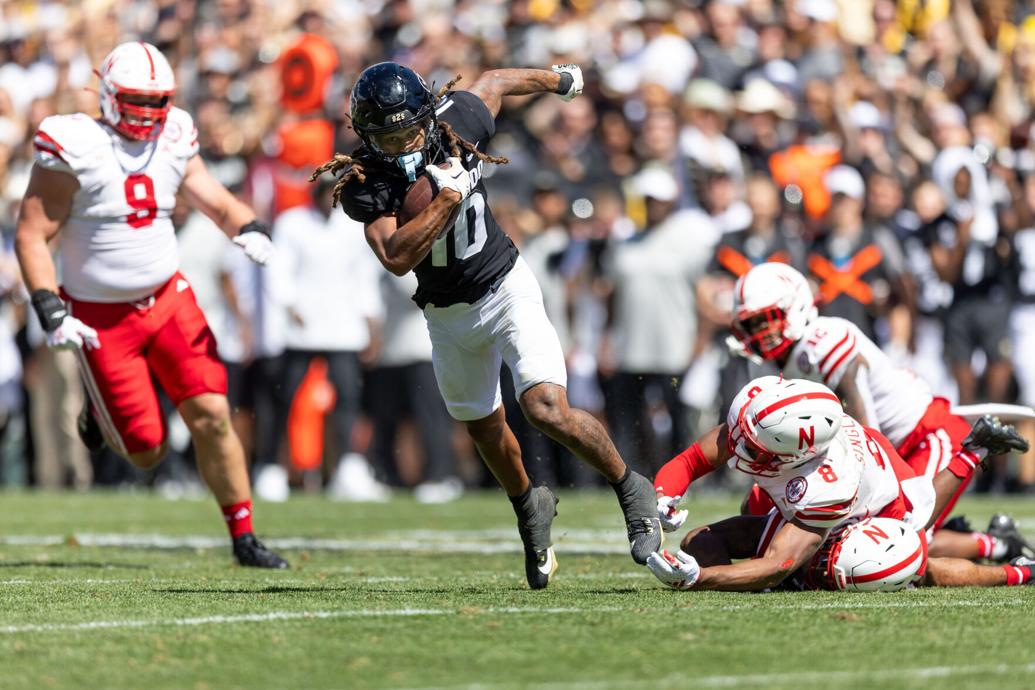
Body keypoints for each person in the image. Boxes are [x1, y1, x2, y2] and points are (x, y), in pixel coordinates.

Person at [313, 61, 662, 589]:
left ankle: (631, 487)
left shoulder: (457, 122)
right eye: (388, 136)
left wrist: (558, 81)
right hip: (446, 314)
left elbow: (495, 81)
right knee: (484, 429)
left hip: (504, 285)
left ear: (428, 115)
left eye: (409, 129)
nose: (402, 144)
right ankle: (529, 506)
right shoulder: (366, 180)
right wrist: (448, 198)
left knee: (545, 408)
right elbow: (396, 256)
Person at [14, 42, 287, 568]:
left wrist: (246, 227)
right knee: (147, 449)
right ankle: (100, 411)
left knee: (211, 412)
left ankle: (244, 536)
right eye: (136, 100)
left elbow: (211, 196)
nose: (146, 113)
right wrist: (50, 306)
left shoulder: (177, 133)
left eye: (155, 101)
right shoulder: (73, 143)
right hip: (100, 318)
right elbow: (31, 235)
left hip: (168, 298)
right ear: (108, 94)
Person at [715, 262, 1030, 560]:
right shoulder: (788, 362)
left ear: (794, 307)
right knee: (757, 507)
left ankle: (998, 544)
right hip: (887, 450)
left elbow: (867, 432)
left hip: (926, 435)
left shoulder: (822, 342)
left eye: (765, 319)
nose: (759, 333)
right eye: (749, 324)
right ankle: (962, 532)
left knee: (900, 539)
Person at [646, 377, 1035, 592]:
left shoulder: (825, 483)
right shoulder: (766, 416)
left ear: (799, 453)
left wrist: (699, 578)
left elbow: (776, 565)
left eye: (756, 444)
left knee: (915, 553)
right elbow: (692, 459)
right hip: (854, 466)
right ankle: (977, 455)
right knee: (722, 528)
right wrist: (666, 494)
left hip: (879, 508)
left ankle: (1018, 569)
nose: (739, 445)